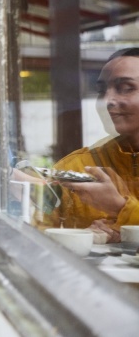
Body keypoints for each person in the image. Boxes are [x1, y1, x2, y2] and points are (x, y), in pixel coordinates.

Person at [48, 48, 139, 242]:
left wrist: (120, 209)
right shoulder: (75, 167)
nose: (107, 100)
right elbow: (36, 236)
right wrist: (82, 238)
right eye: (101, 91)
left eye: (126, 88)